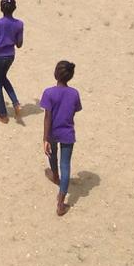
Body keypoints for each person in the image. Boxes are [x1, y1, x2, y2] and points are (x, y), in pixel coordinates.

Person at [41, 59, 82, 217]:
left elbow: (47, 117)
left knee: (51, 153)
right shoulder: (74, 93)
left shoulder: (49, 93)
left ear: (55, 74)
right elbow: (76, 109)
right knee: (66, 165)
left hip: (52, 131)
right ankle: (60, 202)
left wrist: (45, 138)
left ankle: (55, 175)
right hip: (67, 133)